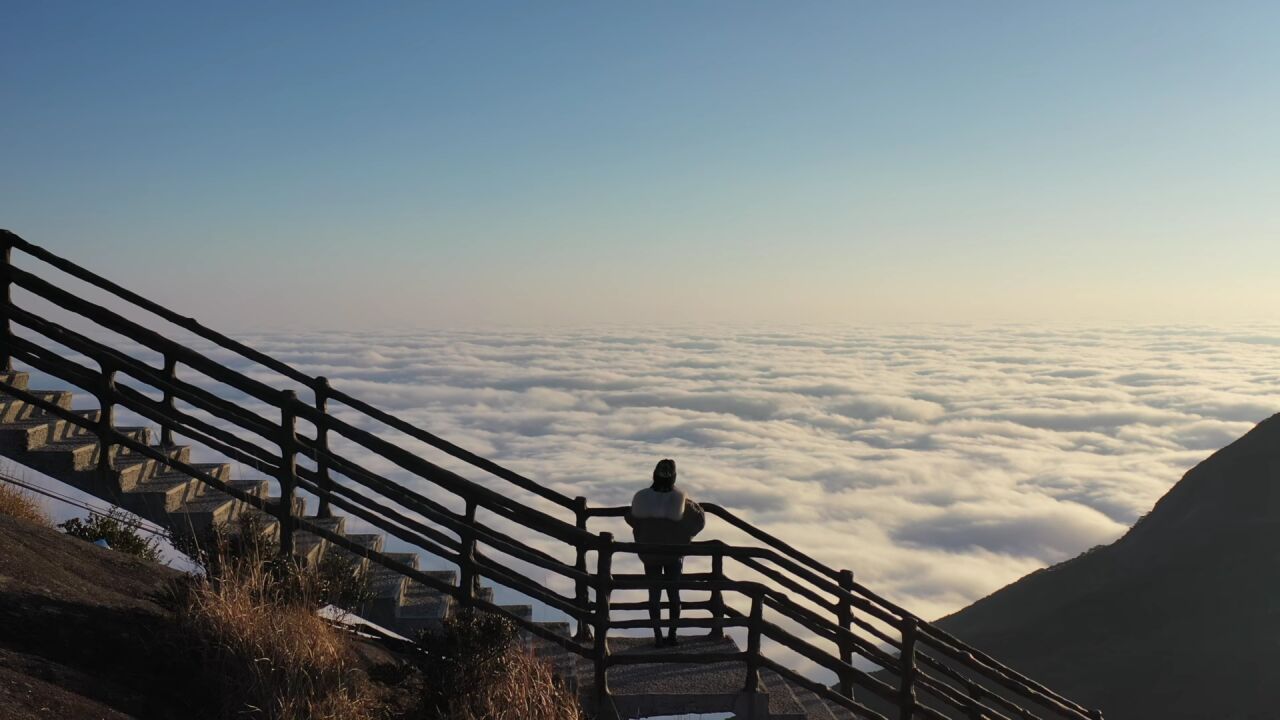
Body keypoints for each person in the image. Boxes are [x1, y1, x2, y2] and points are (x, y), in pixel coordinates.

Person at [625, 458, 705, 647]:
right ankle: (672, 634)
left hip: (649, 553)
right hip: (673, 554)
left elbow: (631, 518)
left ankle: (658, 636)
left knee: (654, 595)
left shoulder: (641, 498)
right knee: (673, 595)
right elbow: (698, 521)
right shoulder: (679, 501)